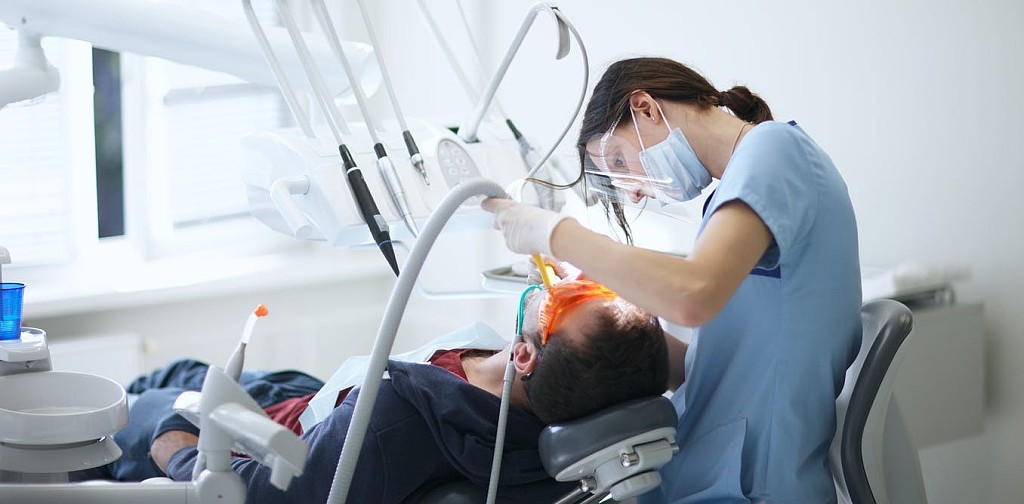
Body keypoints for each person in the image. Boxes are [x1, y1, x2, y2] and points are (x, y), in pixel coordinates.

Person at [482, 56, 862, 503]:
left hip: (751, 486)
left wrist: (558, 234)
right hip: (710, 469)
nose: (633, 190)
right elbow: (709, 367)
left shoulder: (774, 149)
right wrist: (595, 306)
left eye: (619, 161)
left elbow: (692, 295)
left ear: (645, 107)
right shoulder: (731, 193)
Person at [92, 279, 669, 504]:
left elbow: (257, 496)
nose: (564, 281)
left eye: (569, 300)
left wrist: (180, 448)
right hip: (309, 395)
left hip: (265, 437)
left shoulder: (397, 422)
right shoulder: (533, 392)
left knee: (130, 406)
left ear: (525, 355)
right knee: (181, 368)